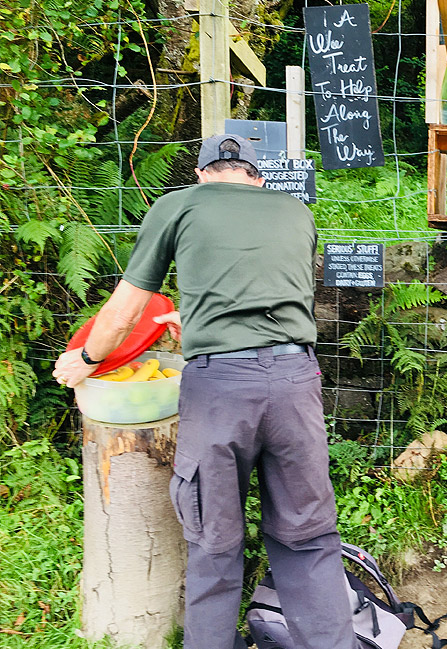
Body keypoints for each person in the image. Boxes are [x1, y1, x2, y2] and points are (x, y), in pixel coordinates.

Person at [53, 134, 356, 649]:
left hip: (219, 390)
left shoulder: (178, 205)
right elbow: (260, 295)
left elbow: (125, 310)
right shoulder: (295, 211)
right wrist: (192, 319)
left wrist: (83, 361)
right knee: (307, 538)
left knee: (214, 543)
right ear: (257, 177)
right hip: (294, 383)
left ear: (201, 174)